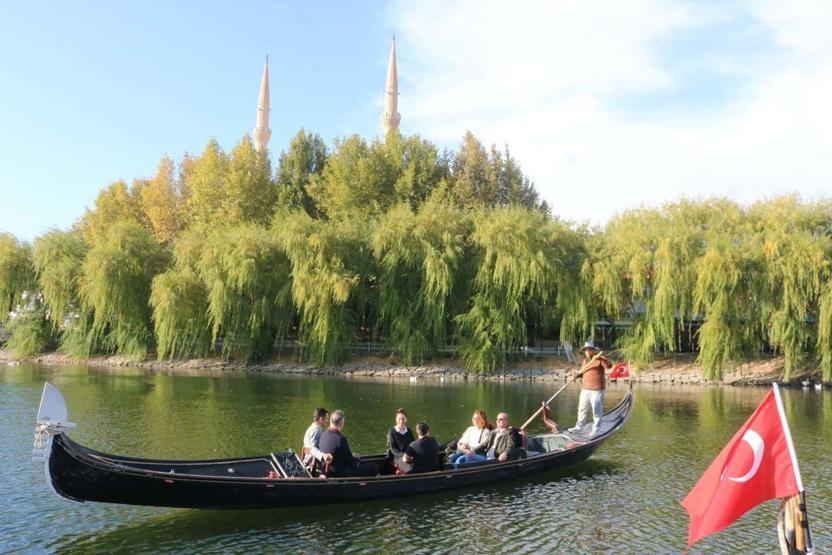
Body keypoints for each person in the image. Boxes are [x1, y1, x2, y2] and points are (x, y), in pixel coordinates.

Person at [568, 339, 612, 437]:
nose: (587, 351)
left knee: (596, 410)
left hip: (597, 390)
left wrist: (602, 358)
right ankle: (579, 427)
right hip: (585, 389)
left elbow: (609, 366)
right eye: (586, 350)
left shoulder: (599, 359)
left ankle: (596, 430)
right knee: (581, 409)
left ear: (593, 350)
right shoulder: (585, 361)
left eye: (589, 349)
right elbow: (583, 372)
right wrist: (577, 376)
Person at [318, 410, 377, 477]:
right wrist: (356, 460)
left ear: (330, 421)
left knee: (358, 460)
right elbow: (352, 464)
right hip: (340, 474)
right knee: (373, 467)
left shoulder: (323, 434)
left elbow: (336, 452)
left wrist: (353, 457)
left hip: (327, 470)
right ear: (341, 423)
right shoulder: (341, 439)